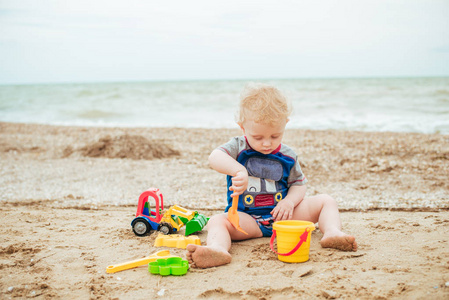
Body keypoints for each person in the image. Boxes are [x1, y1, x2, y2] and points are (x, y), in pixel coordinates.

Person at [186, 83, 357, 268]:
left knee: (326, 201)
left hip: (285, 218)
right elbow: (214, 157)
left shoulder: (288, 155)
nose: (267, 143)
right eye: (258, 137)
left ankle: (332, 232)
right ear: (242, 128)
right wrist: (238, 170)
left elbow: (298, 185)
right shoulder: (238, 147)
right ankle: (217, 248)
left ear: (285, 124)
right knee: (217, 220)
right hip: (247, 220)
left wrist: (289, 202)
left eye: (275, 136)